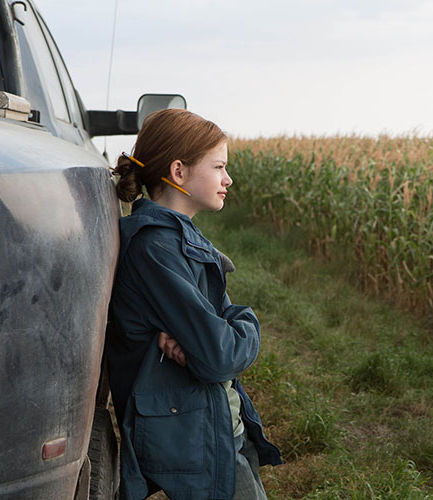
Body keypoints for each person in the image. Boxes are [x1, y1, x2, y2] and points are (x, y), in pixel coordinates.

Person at [106, 108, 281, 500]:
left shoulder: (177, 241)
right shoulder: (157, 249)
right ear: (179, 172)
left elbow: (218, 341)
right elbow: (221, 354)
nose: (228, 179)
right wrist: (247, 322)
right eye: (218, 166)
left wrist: (225, 329)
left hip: (217, 420)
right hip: (198, 437)